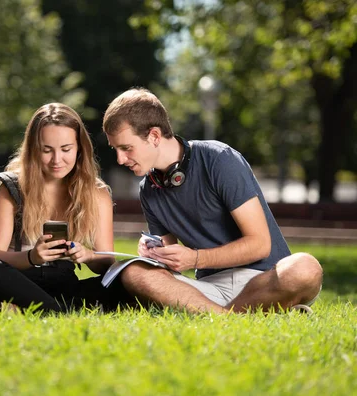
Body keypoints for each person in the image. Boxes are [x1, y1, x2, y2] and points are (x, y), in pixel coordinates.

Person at [102, 88, 323, 314]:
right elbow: (170, 266)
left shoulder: (218, 158)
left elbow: (260, 244)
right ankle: (236, 316)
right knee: (133, 272)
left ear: (155, 136)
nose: (120, 159)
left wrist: (196, 259)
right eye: (116, 150)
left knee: (305, 268)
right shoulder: (148, 189)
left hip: (264, 279)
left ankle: (217, 313)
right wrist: (154, 254)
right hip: (209, 287)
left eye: (126, 148)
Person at [0, 103, 122, 312]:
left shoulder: (97, 193)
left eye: (66, 149)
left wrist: (87, 256)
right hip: (21, 283)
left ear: (79, 148)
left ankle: (48, 309)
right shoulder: (12, 188)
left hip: (66, 284)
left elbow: (107, 263)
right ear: (34, 150)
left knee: (127, 279)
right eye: (47, 150)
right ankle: (62, 312)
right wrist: (32, 257)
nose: (57, 160)